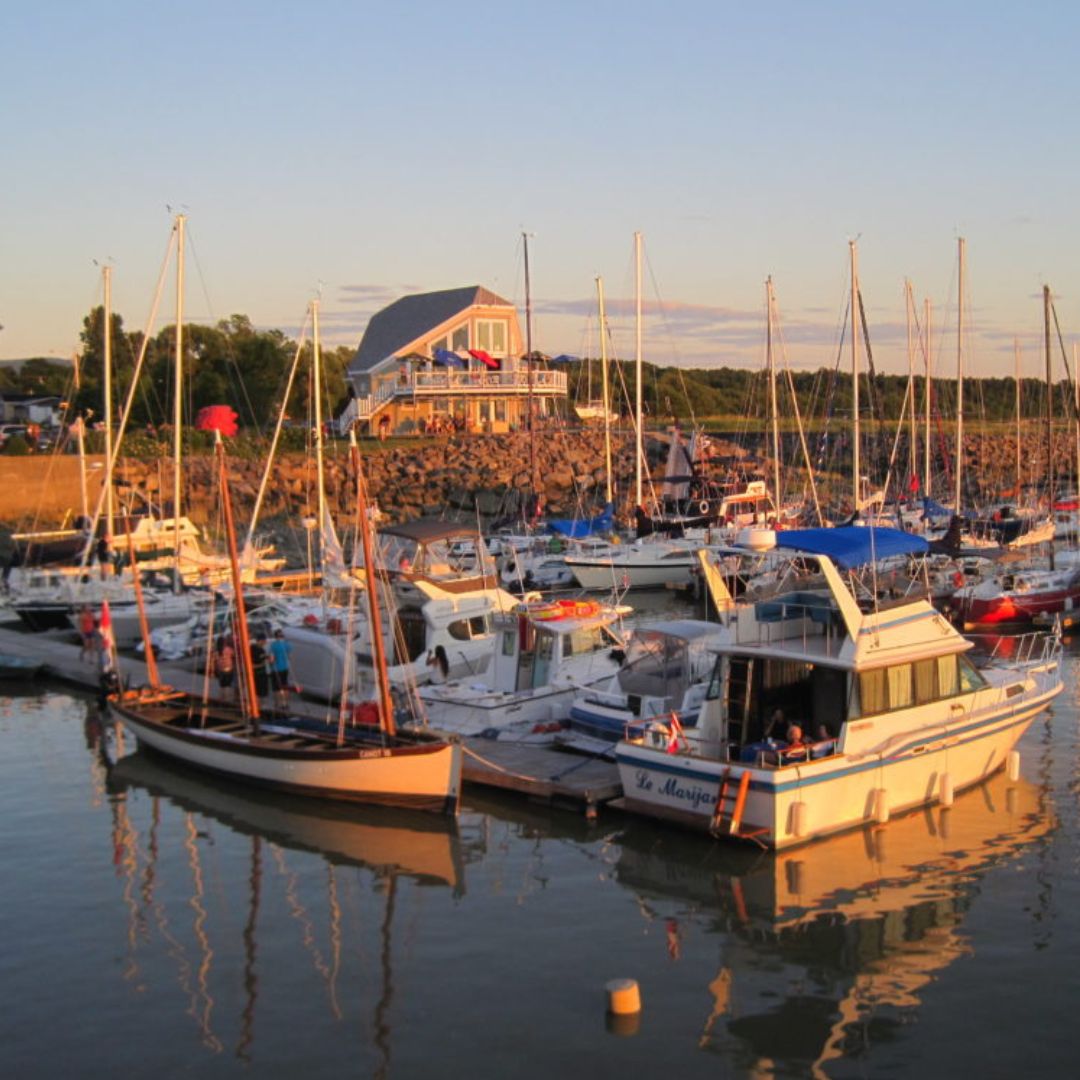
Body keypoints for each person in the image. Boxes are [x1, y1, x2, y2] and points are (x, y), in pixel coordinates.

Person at [269, 629, 293, 707]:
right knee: (285, 685)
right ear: (283, 636)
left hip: (276, 669)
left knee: (276, 687)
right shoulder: (287, 645)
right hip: (285, 668)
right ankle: (285, 703)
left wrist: (270, 662)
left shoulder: (273, 645)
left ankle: (277, 703)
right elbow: (290, 657)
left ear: (275, 637)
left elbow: (272, 659)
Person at [213, 634, 236, 701]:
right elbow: (234, 655)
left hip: (220, 670)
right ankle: (227, 699)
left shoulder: (216, 652)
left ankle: (221, 698)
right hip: (228, 669)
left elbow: (214, 660)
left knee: (222, 685)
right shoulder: (228, 649)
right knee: (227, 685)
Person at [251, 634, 270, 704]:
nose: (265, 643)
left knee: (261, 692)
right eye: (265, 641)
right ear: (261, 641)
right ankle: (257, 705)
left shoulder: (262, 649)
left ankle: (259, 705)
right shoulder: (254, 649)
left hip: (262, 674)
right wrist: (263, 664)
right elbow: (253, 664)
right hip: (257, 674)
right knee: (257, 691)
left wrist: (267, 658)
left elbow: (263, 658)